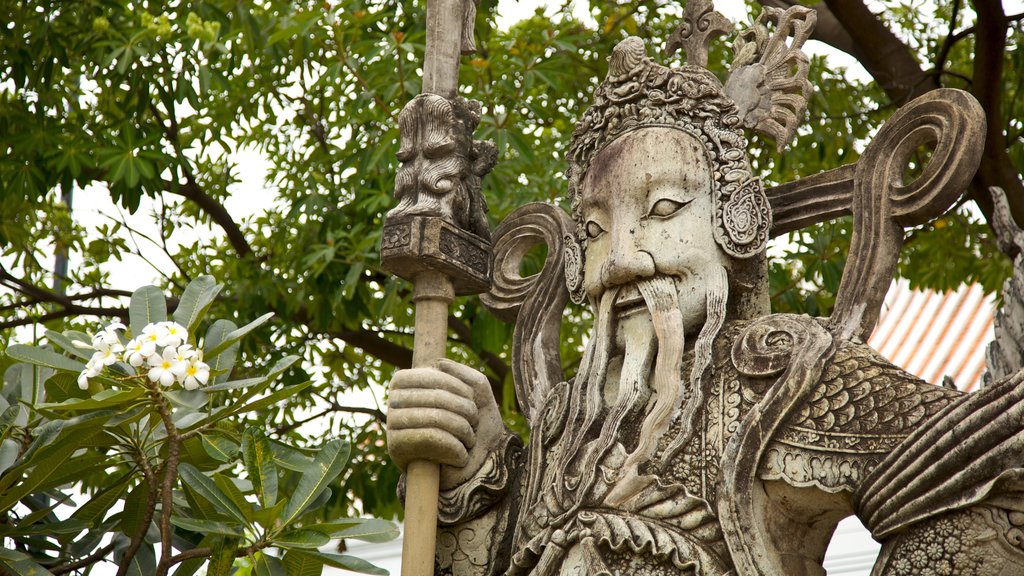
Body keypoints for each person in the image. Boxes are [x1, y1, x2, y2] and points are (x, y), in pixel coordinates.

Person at [387, 34, 1024, 576]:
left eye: (662, 212)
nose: (622, 259)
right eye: (594, 231)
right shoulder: (563, 427)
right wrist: (471, 475)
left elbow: (977, 475)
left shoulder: (782, 375)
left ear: (734, 221)